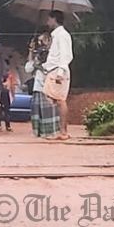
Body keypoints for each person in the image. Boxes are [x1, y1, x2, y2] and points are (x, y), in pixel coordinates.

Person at [36, 10, 75, 140]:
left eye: (49, 19)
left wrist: (60, 72)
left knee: (60, 100)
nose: (47, 22)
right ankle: (60, 130)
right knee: (51, 96)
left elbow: (65, 55)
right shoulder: (55, 36)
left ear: (54, 19)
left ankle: (63, 132)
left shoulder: (62, 35)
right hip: (52, 70)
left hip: (58, 70)